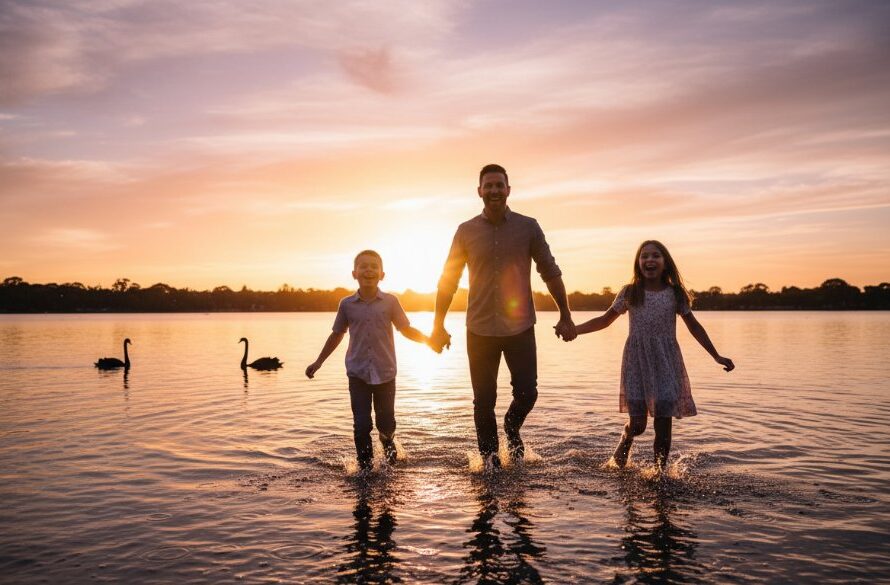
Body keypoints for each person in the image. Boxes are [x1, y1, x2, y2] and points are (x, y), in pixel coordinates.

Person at [430, 163, 576, 469]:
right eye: (489, 185)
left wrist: (565, 315)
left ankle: (511, 427)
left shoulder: (528, 227)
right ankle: (490, 462)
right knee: (483, 402)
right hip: (479, 330)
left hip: (520, 328)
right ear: (479, 191)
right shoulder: (465, 231)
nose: (494, 190)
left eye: (500, 185)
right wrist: (437, 325)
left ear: (508, 190)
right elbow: (448, 281)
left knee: (528, 393)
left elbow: (550, 272)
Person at [575, 240, 735, 470]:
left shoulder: (675, 294)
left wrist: (716, 356)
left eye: (656, 256)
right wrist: (575, 330)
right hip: (636, 361)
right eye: (644, 256)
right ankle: (627, 437)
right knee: (638, 424)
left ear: (665, 262)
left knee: (663, 421)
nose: (649, 260)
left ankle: (659, 474)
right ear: (638, 263)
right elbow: (604, 319)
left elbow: (694, 326)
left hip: (666, 362)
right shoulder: (631, 292)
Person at [305, 250, 435, 471]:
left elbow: (405, 329)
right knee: (362, 425)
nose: (368, 270)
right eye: (363, 266)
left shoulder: (391, 302)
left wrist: (429, 341)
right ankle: (365, 469)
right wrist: (318, 362)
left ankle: (390, 459)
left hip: (385, 374)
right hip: (358, 375)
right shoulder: (346, 304)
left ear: (382, 274)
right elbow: (337, 334)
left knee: (386, 425)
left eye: (374, 266)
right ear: (354, 273)